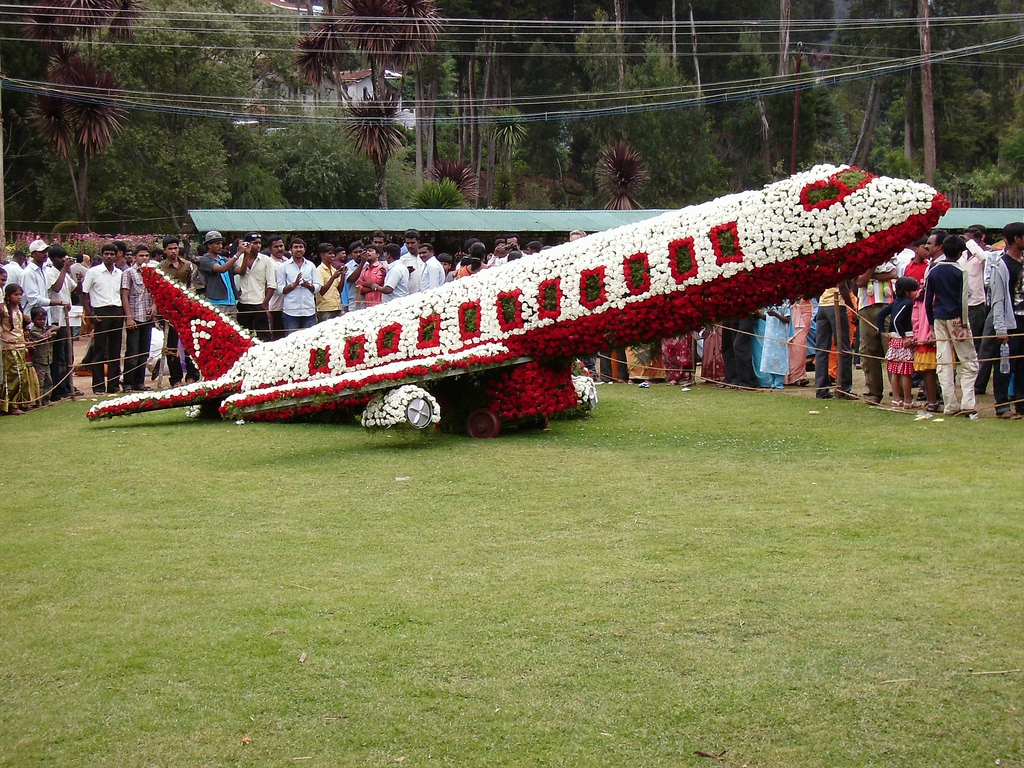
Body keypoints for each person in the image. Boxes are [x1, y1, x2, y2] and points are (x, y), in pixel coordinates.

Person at [925, 235, 979, 416]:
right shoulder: (960, 271)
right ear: (959, 252)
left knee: (944, 361)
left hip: (938, 318)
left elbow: (927, 299)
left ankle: (950, 405)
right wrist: (964, 325)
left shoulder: (933, 270)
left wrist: (931, 324)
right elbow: (963, 300)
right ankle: (968, 403)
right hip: (956, 318)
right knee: (969, 361)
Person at [980, 221, 1024, 419]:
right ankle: (1002, 406)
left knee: (1022, 366)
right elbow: (997, 299)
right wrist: (1000, 328)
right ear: (1017, 239)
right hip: (1011, 321)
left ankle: (1021, 404)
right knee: (1005, 365)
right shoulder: (1002, 265)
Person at [81, 243, 124, 394]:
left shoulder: (120, 273)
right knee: (99, 350)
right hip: (100, 312)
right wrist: (90, 314)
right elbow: (83, 294)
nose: (109, 257)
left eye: (112, 254)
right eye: (106, 254)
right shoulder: (93, 272)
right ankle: (98, 386)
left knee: (115, 350)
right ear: (102, 255)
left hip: (117, 312)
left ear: (117, 255)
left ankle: (113, 385)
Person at [156, 235, 200, 385]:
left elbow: (192, 283)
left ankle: (192, 376)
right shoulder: (160, 268)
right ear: (165, 250)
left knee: (190, 343)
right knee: (171, 345)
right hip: (168, 311)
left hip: (187, 309)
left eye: (175, 248)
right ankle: (175, 378)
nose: (173, 251)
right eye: (170, 249)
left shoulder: (187, 265)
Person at [855, 255, 898, 404]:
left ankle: (898, 392)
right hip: (866, 307)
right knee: (869, 351)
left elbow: (893, 274)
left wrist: (870, 275)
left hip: (887, 305)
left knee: (891, 349)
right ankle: (873, 392)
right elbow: (860, 281)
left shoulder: (890, 255)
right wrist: (873, 268)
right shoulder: (859, 260)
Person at [877, 276, 919, 409]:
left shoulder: (895, 302)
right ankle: (907, 401)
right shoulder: (907, 303)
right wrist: (905, 337)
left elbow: (880, 315)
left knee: (895, 371)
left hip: (894, 339)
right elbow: (896, 320)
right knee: (906, 372)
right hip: (903, 339)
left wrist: (882, 331)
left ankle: (896, 400)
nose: (916, 293)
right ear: (907, 291)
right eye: (914, 291)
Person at [121, 245, 156, 392]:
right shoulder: (128, 273)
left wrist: (154, 306)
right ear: (135, 257)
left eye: (146, 255)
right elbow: (125, 295)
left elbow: (155, 291)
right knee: (132, 352)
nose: (144, 258)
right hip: (135, 317)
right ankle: (128, 383)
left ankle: (139, 382)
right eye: (141, 255)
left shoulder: (151, 272)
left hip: (147, 317)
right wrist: (128, 317)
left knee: (144, 352)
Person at [0, 284, 40, 414]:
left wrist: (26, 343)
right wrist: (5, 339)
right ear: (7, 296)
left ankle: (22, 402)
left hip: (20, 346)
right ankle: (12, 405)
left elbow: (20, 330)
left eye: (20, 294)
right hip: (9, 347)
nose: (19, 297)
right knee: (14, 376)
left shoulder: (19, 309)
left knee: (23, 376)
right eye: (15, 295)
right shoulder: (3, 311)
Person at [44, 244, 77, 401]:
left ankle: (68, 385)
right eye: (59, 257)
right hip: (57, 320)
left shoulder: (64, 273)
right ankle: (59, 389)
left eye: (64, 257)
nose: (63, 260)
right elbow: (56, 289)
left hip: (67, 320)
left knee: (68, 356)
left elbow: (74, 288)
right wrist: (64, 270)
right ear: (52, 259)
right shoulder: (50, 273)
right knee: (59, 357)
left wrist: (71, 273)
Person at [814, 282, 856, 399]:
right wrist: (852, 309)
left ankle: (821, 390)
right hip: (837, 304)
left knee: (821, 350)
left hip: (822, 306)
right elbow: (843, 286)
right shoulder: (840, 265)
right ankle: (844, 389)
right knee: (844, 348)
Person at [234, 233, 275, 339]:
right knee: (244, 336)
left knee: (264, 336)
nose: (258, 246)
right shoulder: (239, 258)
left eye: (259, 243)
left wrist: (265, 303)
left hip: (259, 303)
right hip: (243, 302)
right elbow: (237, 276)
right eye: (255, 243)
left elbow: (271, 284)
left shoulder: (266, 260)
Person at [277, 238, 320, 333]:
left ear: (304, 249)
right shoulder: (283, 267)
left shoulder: (311, 265)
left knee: (310, 339)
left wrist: (309, 285)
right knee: (291, 340)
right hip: (291, 311)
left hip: (309, 310)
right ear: (291, 250)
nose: (298, 249)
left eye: (301, 247)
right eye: (295, 247)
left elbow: (318, 286)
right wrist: (293, 285)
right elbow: (279, 289)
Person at [199, 230, 239, 316]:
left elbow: (240, 271)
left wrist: (247, 255)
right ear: (209, 245)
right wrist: (237, 254)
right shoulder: (206, 259)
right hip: (217, 303)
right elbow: (222, 269)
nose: (220, 246)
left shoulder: (224, 259)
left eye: (221, 243)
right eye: (217, 244)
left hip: (231, 302)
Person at [26, 305, 56, 403]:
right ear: (33, 320)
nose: (42, 321)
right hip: (39, 361)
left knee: (49, 381)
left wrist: (49, 330)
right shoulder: (33, 331)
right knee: (40, 382)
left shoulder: (46, 328)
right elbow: (42, 337)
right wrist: (49, 334)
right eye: (39, 319)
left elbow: (57, 327)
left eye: (44, 319)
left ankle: (46, 400)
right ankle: (38, 401)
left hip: (47, 360)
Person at [760, 302, 791, 389]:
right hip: (769, 335)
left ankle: (778, 383)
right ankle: (772, 382)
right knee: (769, 359)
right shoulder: (770, 303)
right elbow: (767, 318)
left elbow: (787, 319)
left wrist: (776, 315)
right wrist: (757, 314)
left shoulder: (785, 303)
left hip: (779, 335)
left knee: (778, 359)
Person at [314, 243, 345, 322]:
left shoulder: (334, 270)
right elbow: (322, 291)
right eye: (330, 253)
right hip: (325, 309)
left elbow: (339, 290)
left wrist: (343, 275)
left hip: (337, 306)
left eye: (333, 253)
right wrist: (333, 277)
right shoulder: (319, 271)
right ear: (322, 255)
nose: (333, 256)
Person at [265, 235, 288, 338]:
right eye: (276, 247)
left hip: (289, 306)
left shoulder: (287, 261)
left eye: (281, 246)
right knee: (278, 336)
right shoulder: (269, 263)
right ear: (270, 249)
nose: (279, 249)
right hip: (276, 306)